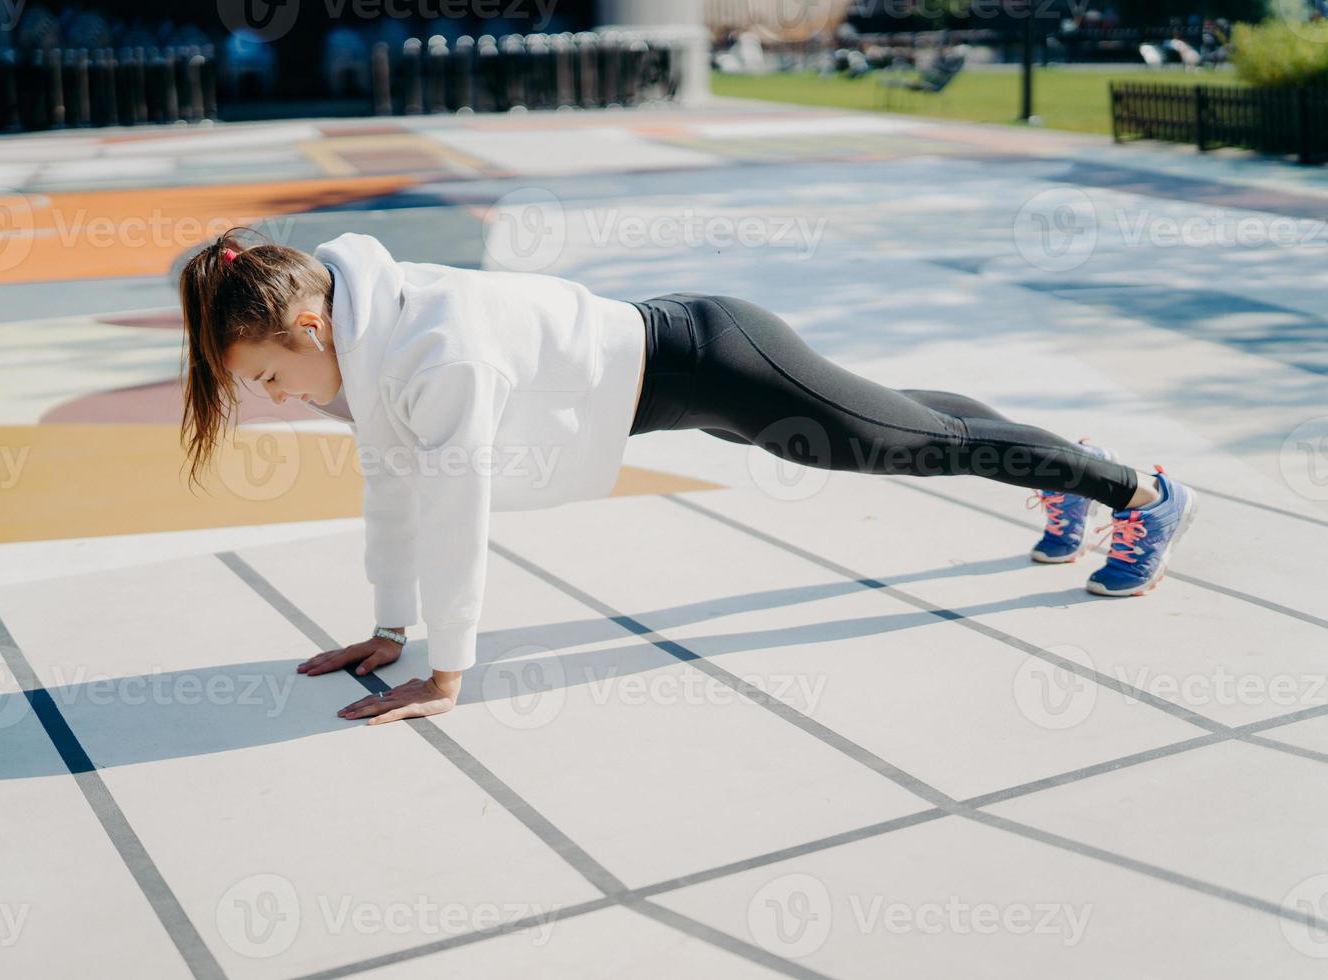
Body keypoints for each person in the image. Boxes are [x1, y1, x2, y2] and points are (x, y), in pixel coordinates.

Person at [177, 228, 1198, 726]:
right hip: (685, 367)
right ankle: (1056, 470)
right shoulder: (369, 343)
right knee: (907, 426)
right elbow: (395, 480)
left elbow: (454, 505)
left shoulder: (436, 350)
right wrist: (391, 627)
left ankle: (1143, 495)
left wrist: (445, 674)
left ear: (313, 324)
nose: (276, 396)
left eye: (269, 373)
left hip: (716, 359)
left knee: (903, 442)